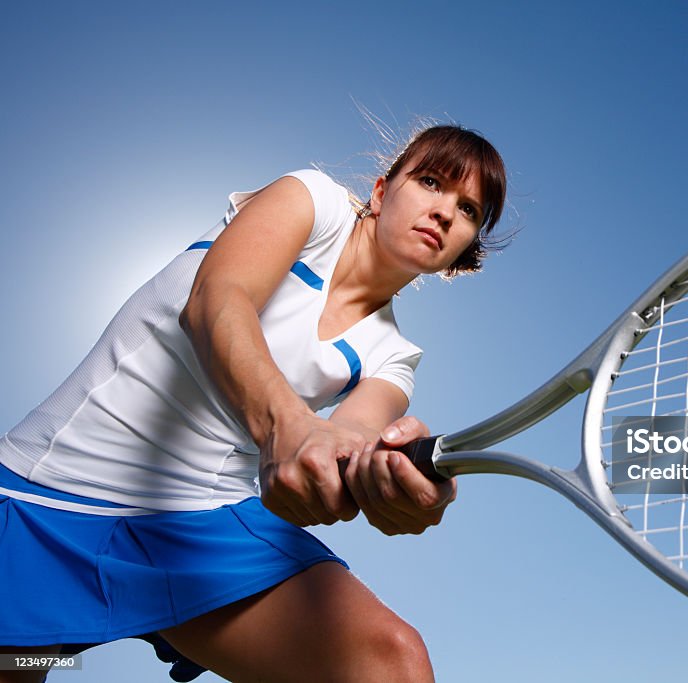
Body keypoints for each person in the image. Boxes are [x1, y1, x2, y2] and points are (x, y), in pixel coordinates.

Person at [0, 125, 507, 682]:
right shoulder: (312, 201)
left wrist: (385, 480)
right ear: (383, 192)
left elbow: (349, 439)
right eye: (430, 182)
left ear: (466, 247)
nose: (443, 213)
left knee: (388, 663)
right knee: (27, 662)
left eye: (467, 210)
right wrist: (287, 424)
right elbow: (218, 299)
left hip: (199, 533)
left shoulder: (395, 356)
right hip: (43, 498)